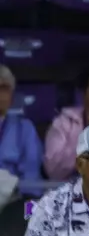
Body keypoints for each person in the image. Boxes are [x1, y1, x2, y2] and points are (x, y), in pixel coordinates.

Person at [0, 65, 43, 206]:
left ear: (11, 98)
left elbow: (30, 178)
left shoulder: (25, 129)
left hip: (12, 202)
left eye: (4, 88)